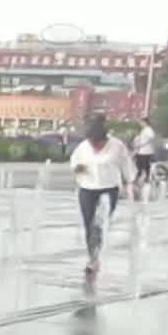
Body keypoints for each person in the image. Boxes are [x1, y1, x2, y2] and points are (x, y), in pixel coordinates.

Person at [71, 115, 134, 274]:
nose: (94, 145)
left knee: (99, 224)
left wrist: (130, 182)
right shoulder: (83, 147)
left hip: (109, 189)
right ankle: (92, 257)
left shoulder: (117, 146)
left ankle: (94, 257)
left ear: (104, 139)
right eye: (91, 142)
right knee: (89, 224)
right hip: (87, 188)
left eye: (97, 142)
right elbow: (74, 165)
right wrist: (80, 169)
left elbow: (126, 164)